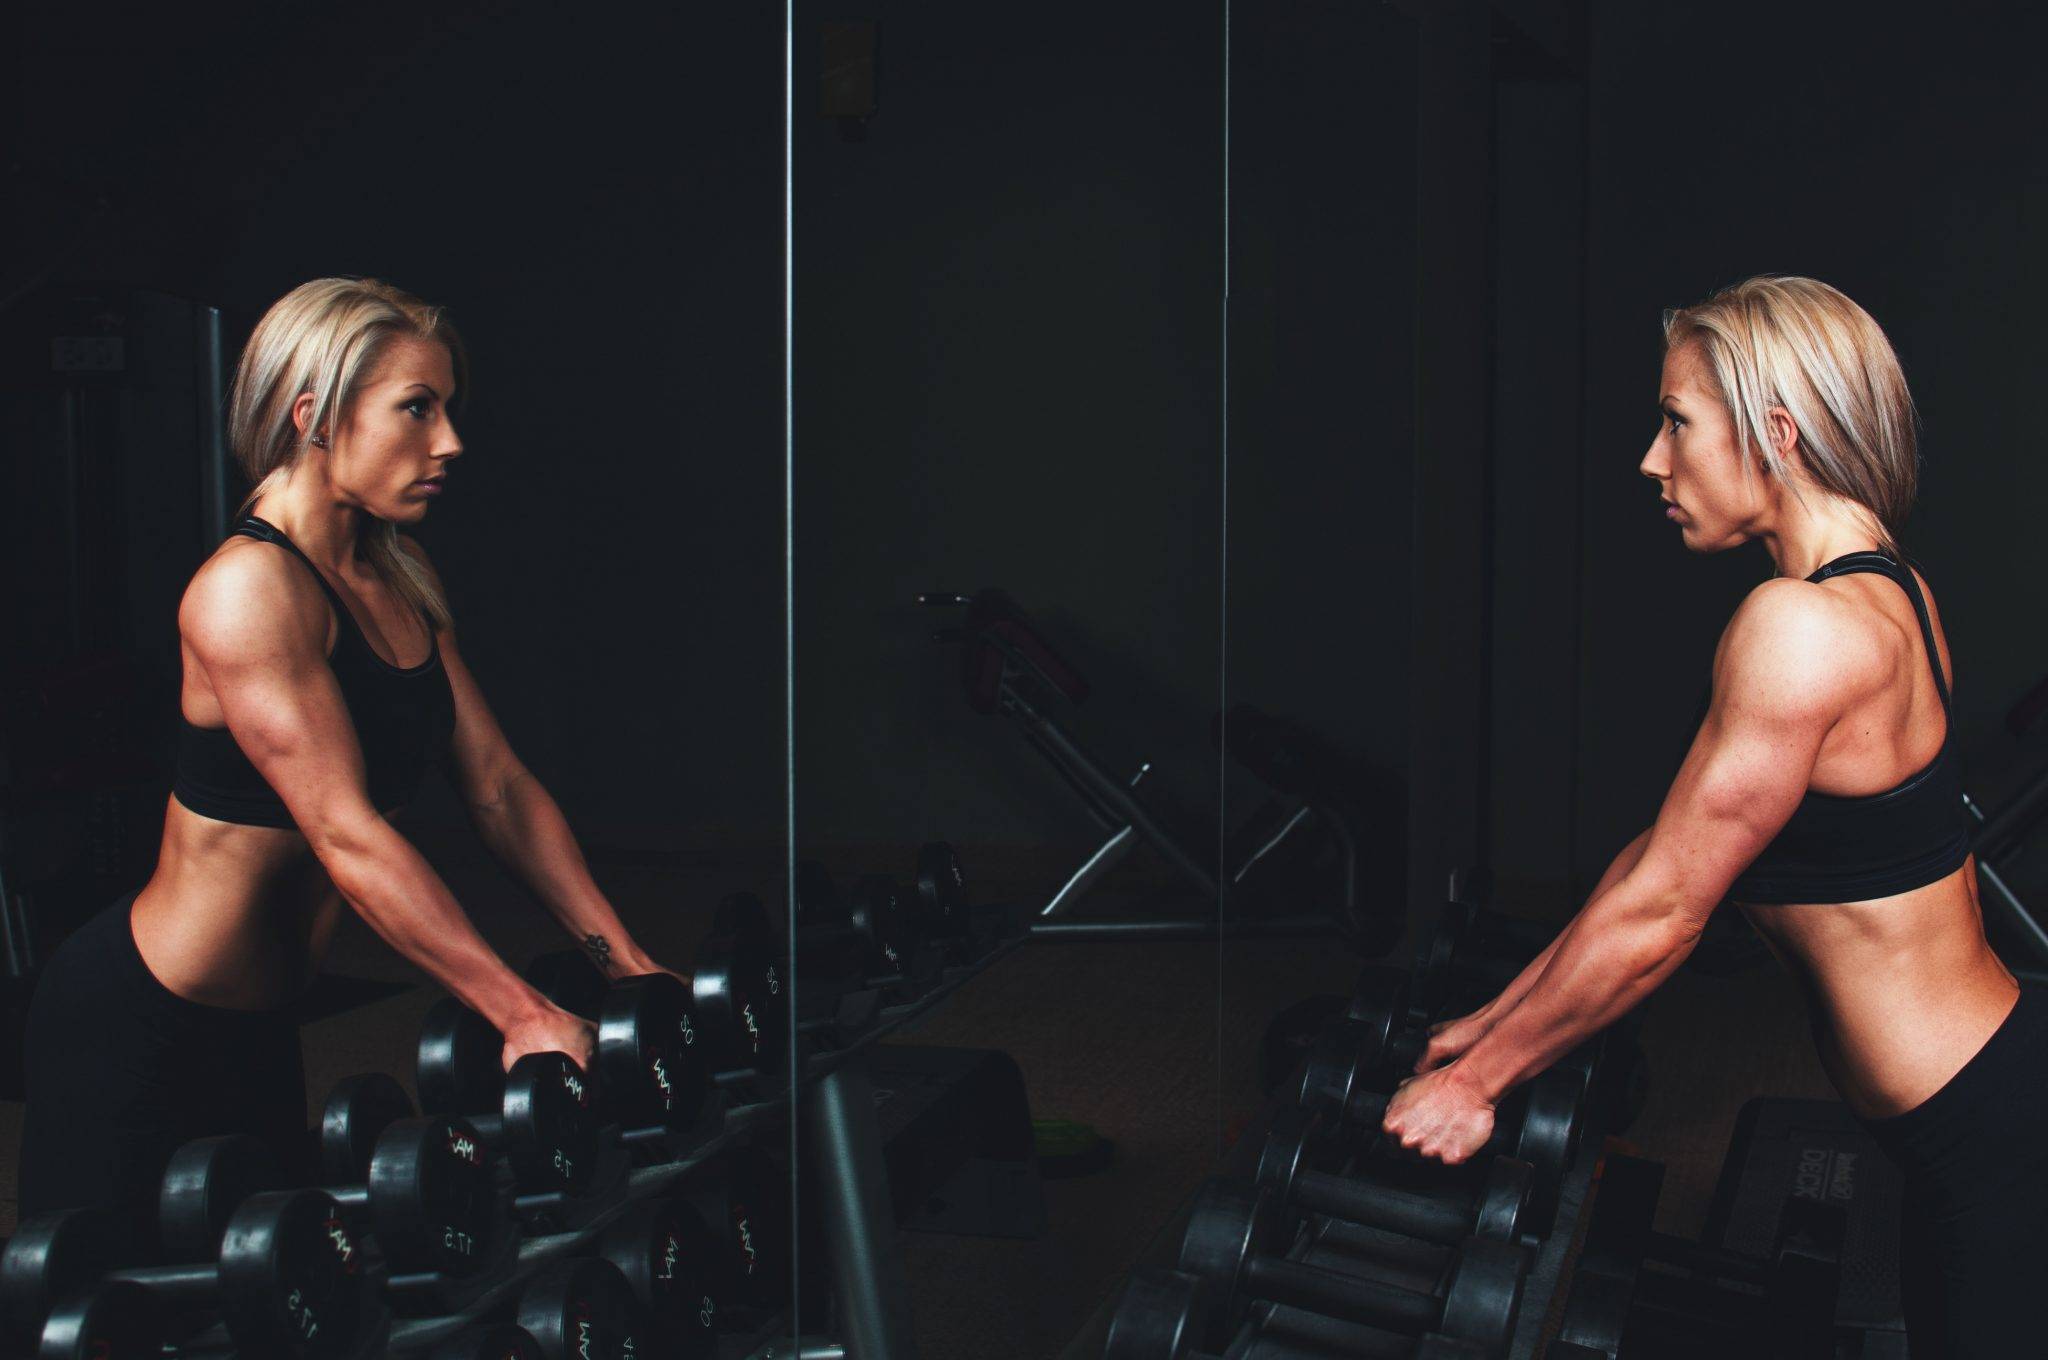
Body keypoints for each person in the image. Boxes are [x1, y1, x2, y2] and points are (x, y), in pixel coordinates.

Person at [1381, 275, 2045, 1358]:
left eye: (1676, 421)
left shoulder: (1799, 627)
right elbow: (1659, 857)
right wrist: (1497, 1025)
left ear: (1774, 432)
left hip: (1988, 1131)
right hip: (1975, 1108)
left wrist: (1476, 1090)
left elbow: (1670, 913)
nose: (1653, 458)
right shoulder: (1894, 593)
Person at [19, 277, 675, 1232]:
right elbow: (347, 835)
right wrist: (521, 1013)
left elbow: (499, 789)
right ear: (312, 414)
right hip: (140, 1024)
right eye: (417, 407)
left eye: (447, 408)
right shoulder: (247, 591)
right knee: (99, 1318)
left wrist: (628, 966)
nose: (448, 441)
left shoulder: (392, 574)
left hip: (259, 1030)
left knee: (268, 1298)